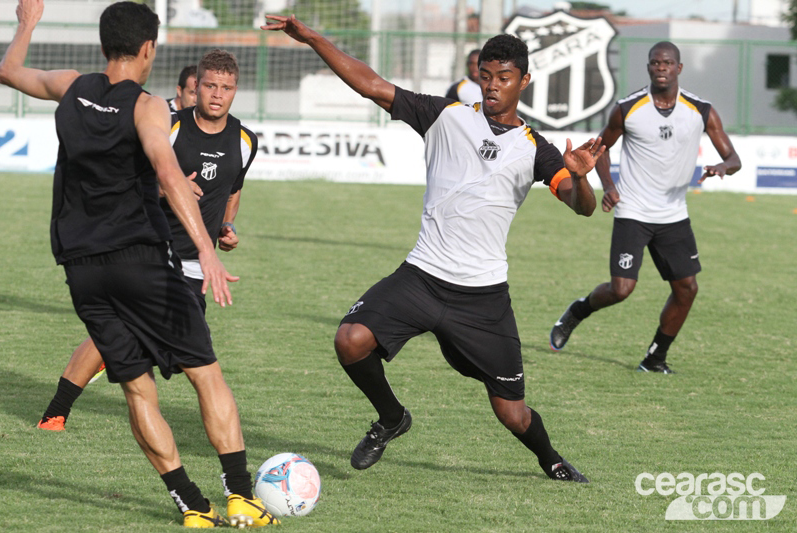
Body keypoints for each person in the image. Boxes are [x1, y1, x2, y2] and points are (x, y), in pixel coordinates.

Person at [262, 15, 605, 482]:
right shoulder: (446, 116)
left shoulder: (536, 149)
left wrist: (581, 178)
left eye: (504, 78)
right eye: (486, 75)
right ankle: (391, 418)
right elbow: (371, 85)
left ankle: (552, 460)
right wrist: (312, 38)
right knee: (350, 339)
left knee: (512, 413)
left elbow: (581, 206)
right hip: (422, 277)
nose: (492, 85)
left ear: (524, 81)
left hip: (482, 297)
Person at [0, 1, 275, 528]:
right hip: (141, 260)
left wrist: (27, 23)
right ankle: (241, 495)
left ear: (105, 44)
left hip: (81, 267)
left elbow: (8, 71)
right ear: (149, 48)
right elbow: (169, 174)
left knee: (136, 387)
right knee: (205, 374)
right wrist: (207, 248)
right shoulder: (147, 107)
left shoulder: (71, 86)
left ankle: (192, 505)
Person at [37, 49, 257, 433]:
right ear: (196, 87)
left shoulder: (245, 141)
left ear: (236, 90)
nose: (217, 95)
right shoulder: (168, 126)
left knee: (145, 343)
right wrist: (168, 186)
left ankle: (76, 397)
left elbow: (233, 189)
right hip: (152, 252)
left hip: (197, 267)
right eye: (209, 86)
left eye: (226, 88)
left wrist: (226, 225)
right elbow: (129, 179)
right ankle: (56, 412)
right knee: (137, 339)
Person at [549, 41, 741, 374]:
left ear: (679, 68)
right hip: (633, 211)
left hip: (674, 214)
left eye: (667, 63)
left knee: (687, 289)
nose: (661, 67)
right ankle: (578, 311)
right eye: (655, 62)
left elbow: (733, 157)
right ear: (649, 67)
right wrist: (609, 186)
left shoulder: (701, 110)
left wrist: (723, 167)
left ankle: (654, 359)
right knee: (621, 290)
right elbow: (599, 149)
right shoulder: (627, 108)